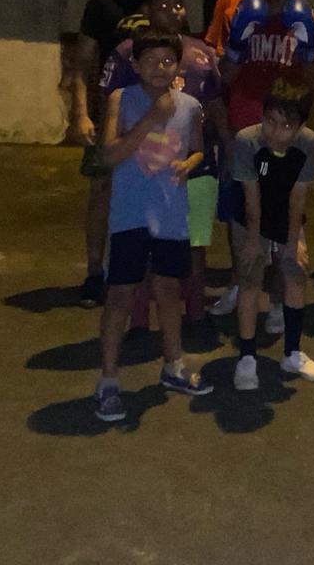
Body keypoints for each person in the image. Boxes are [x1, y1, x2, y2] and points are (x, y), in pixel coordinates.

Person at [95, 32, 212, 421]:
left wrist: (189, 163)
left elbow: (198, 149)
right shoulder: (121, 98)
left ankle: (173, 365)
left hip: (170, 214)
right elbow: (109, 155)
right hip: (129, 215)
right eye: (149, 60)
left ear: (178, 65)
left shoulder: (190, 106)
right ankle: (108, 381)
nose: (159, 68)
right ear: (134, 64)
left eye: (167, 61)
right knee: (120, 296)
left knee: (168, 290)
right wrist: (152, 117)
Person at [100, 0, 228, 323]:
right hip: (142, 171)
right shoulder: (127, 54)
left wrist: (225, 145)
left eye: (177, 5)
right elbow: (113, 109)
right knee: (141, 246)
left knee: (193, 244)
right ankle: (140, 320)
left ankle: (195, 315)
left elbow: (215, 105)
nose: (172, 12)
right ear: (147, 9)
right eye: (162, 5)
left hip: (193, 168)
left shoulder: (201, 53)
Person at [212, 0, 314, 320]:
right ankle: (241, 283)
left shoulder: (308, 17)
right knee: (241, 214)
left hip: (286, 134)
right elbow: (225, 77)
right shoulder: (239, 12)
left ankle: (278, 298)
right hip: (244, 127)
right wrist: (237, 44)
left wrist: (306, 50)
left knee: (284, 213)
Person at [68, 0, 158, 307]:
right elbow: (81, 64)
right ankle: (94, 271)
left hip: (152, 112)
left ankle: (146, 273)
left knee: (152, 190)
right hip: (110, 110)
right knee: (101, 190)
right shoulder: (101, 3)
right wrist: (81, 113)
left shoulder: (161, 2)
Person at [230, 90, 314, 390]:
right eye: (270, 121)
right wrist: (253, 241)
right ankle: (247, 358)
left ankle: (292, 353)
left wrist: (293, 241)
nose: (276, 132)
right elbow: (251, 199)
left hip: (285, 211)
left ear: (300, 126)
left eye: (286, 126)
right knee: (250, 277)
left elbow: (298, 197)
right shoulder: (246, 141)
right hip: (248, 215)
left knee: (295, 272)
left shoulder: (309, 143)